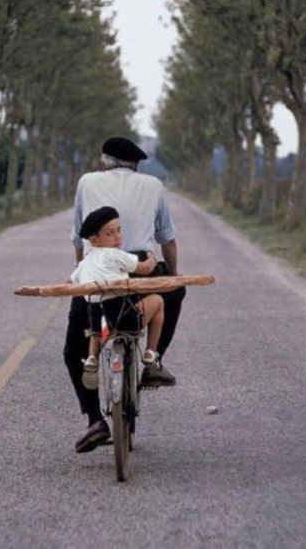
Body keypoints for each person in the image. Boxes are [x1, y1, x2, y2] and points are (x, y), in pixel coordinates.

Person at [64, 135, 186, 454]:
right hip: (140, 267)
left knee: (73, 348)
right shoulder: (154, 185)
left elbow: (79, 240)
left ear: (104, 162)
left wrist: (85, 277)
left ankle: (95, 420)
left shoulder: (87, 182)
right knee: (175, 290)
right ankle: (153, 360)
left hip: (98, 274)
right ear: (135, 164)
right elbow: (167, 240)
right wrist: (171, 274)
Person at [70, 206, 164, 391]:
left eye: (119, 231)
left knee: (97, 324)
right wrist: (152, 257)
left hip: (102, 325)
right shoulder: (115, 255)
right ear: (94, 240)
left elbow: (73, 281)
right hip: (126, 319)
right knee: (158, 301)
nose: (118, 236)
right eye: (110, 233)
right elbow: (145, 269)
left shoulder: (85, 262)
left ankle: (92, 358)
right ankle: (150, 353)